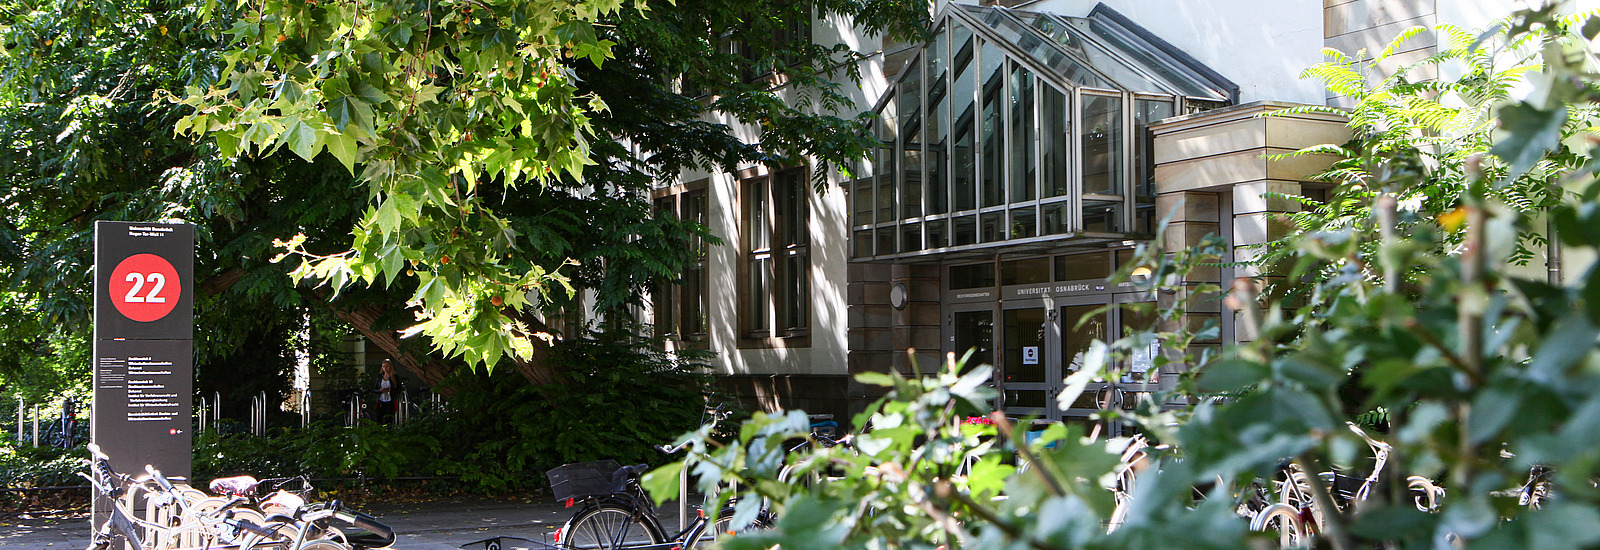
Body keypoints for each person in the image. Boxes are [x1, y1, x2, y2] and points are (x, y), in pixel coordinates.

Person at [375, 359, 398, 424]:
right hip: (381, 401)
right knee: (378, 419)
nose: (385, 368)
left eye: (387, 366)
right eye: (383, 366)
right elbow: (375, 389)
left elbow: (399, 389)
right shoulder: (380, 377)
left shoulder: (394, 377)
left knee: (389, 419)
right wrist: (380, 390)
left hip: (390, 400)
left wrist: (390, 390)